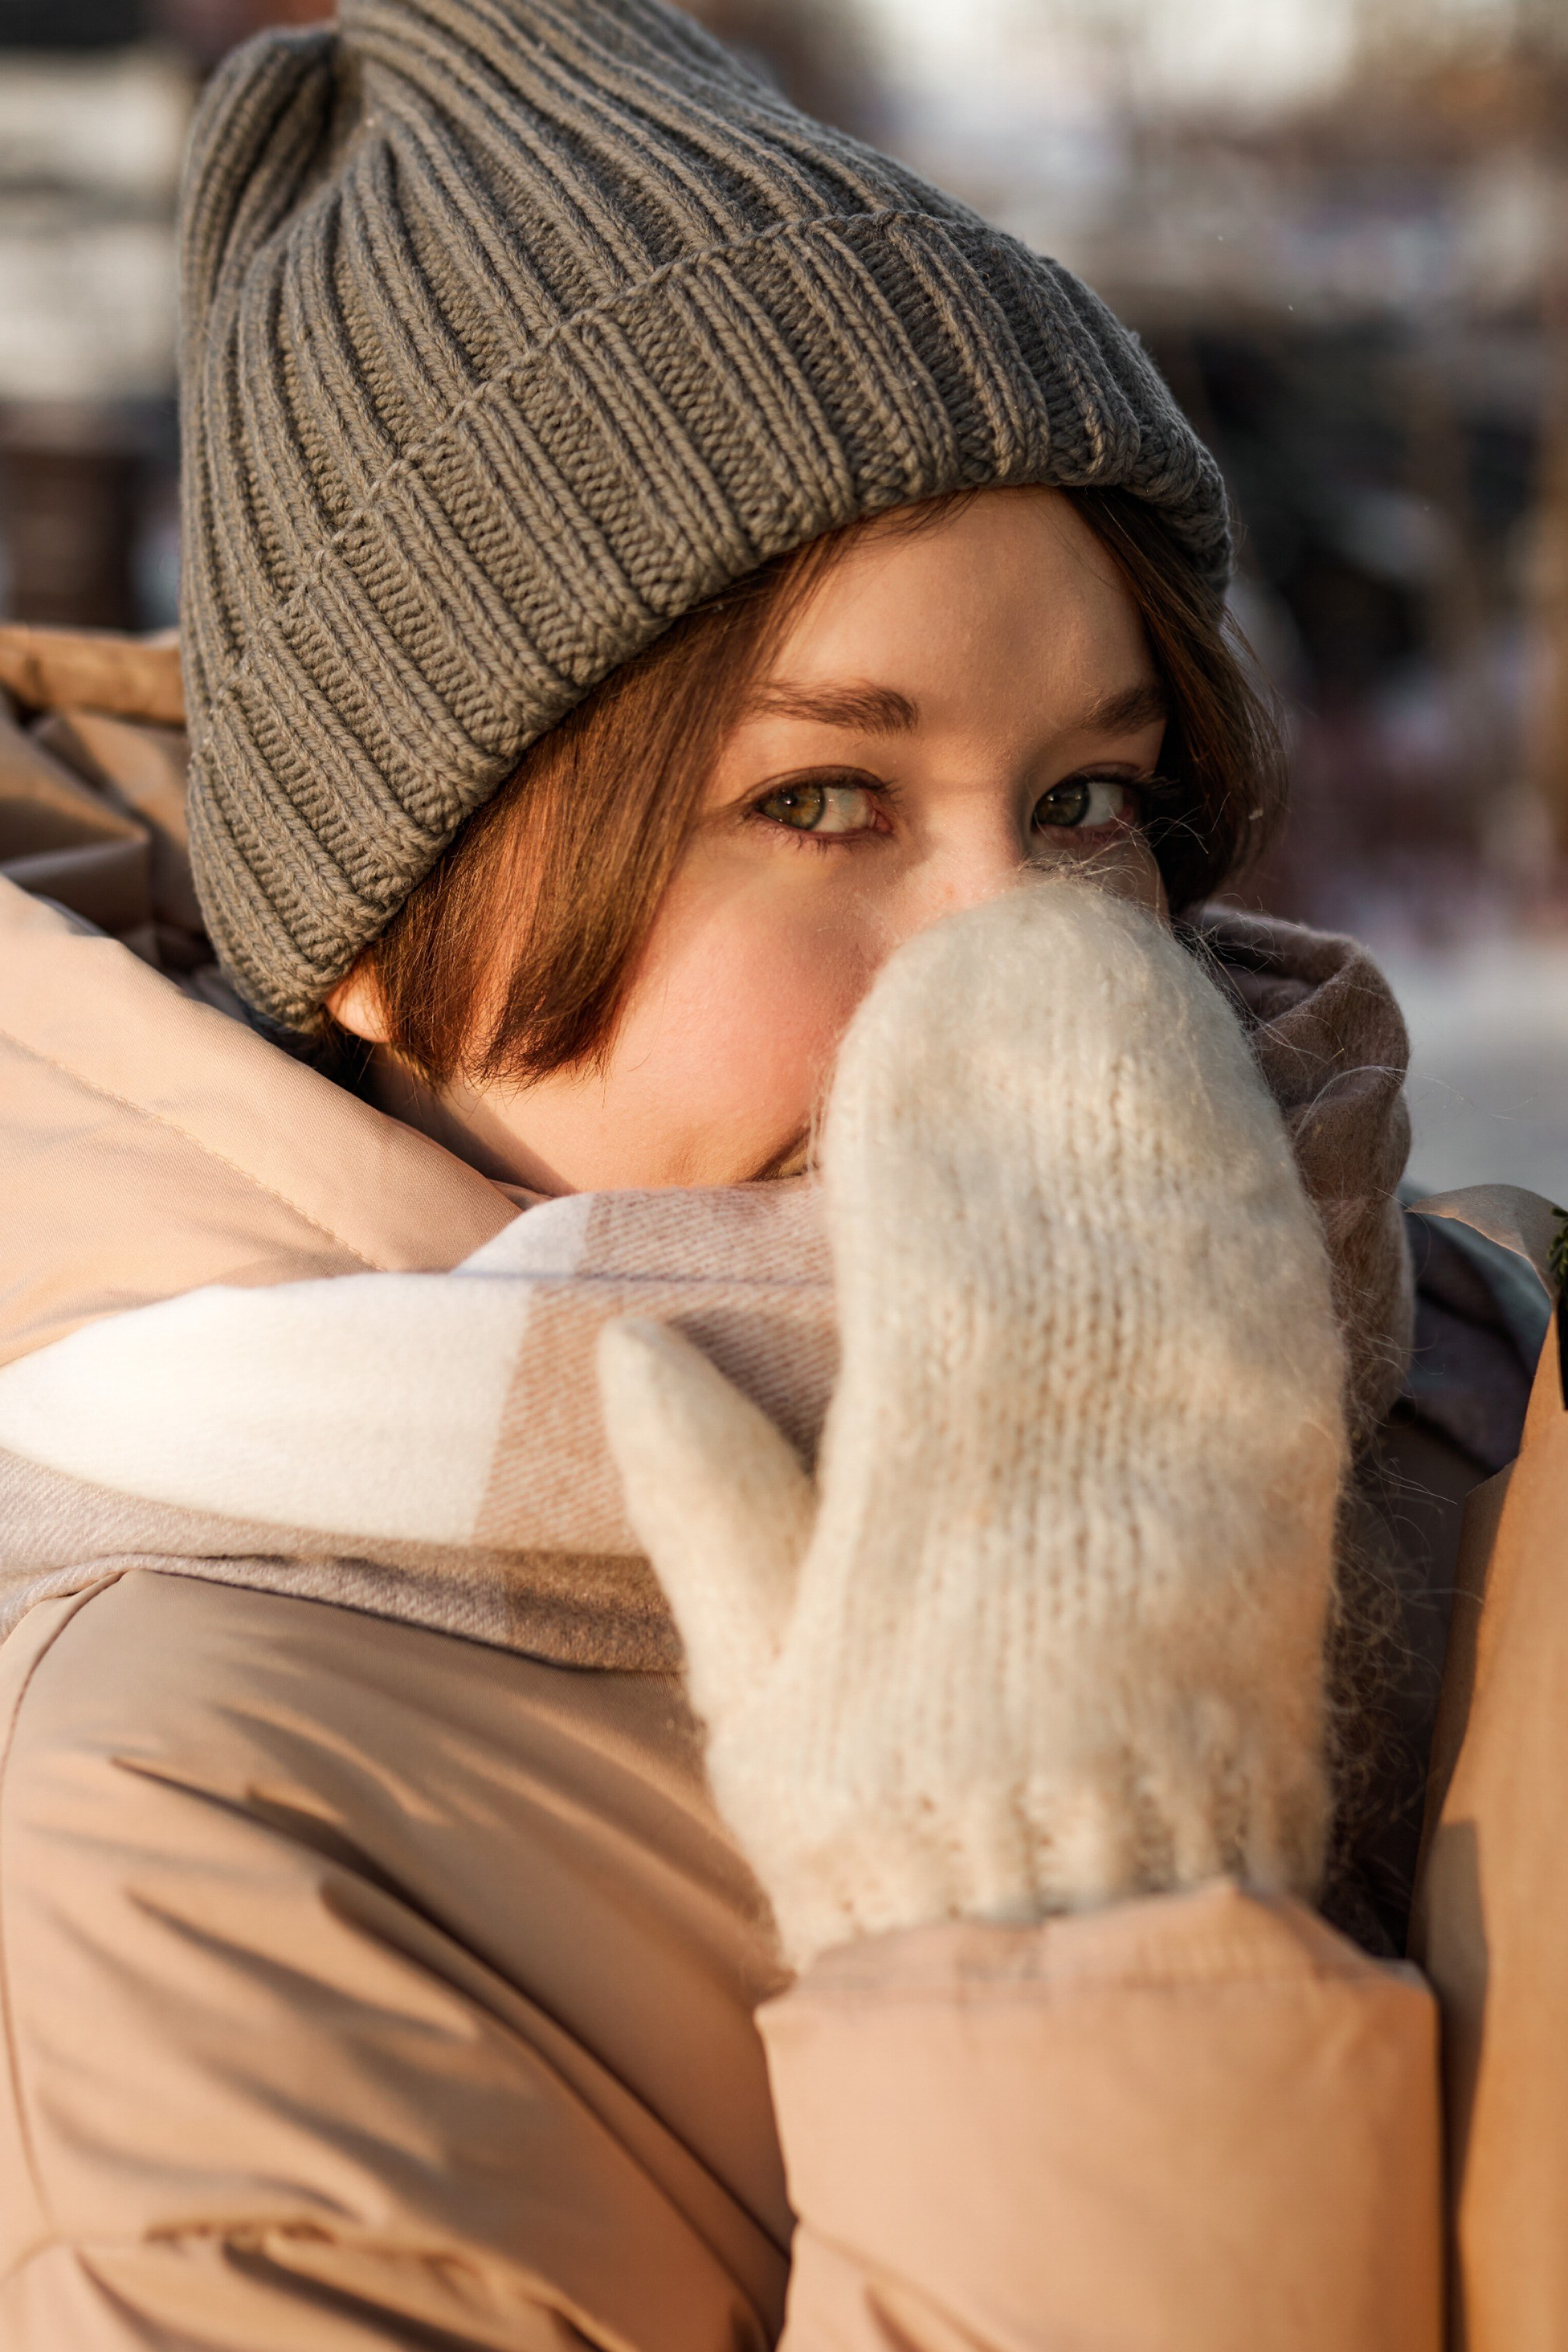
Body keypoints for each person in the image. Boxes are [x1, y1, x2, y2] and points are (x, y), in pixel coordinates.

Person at [2, 0, 1547, 2339]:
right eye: (821, 801)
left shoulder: (1468, 1384)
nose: (1018, 964)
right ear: (384, 952)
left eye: (1087, 803)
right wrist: (1056, 1920)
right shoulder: (191, 1824)